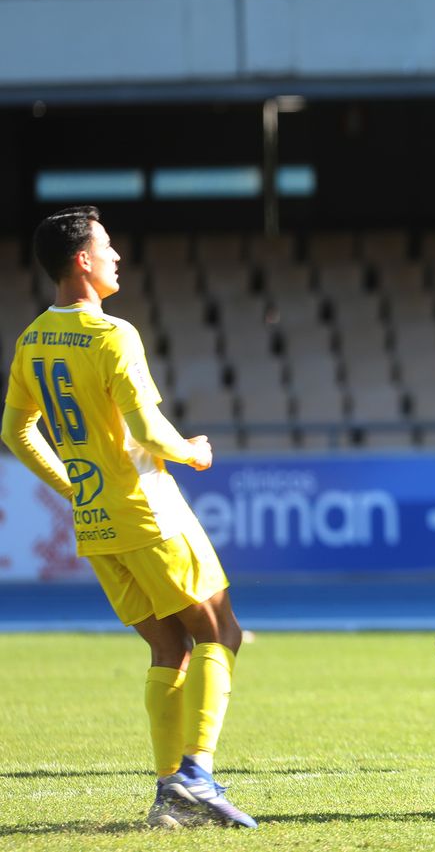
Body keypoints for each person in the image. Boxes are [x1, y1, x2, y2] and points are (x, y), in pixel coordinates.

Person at [1, 206, 256, 829]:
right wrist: (192, 452)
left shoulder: (32, 339)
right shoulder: (112, 334)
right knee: (221, 633)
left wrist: (72, 485)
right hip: (149, 511)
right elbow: (146, 429)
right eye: (108, 247)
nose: (118, 257)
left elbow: (14, 432)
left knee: (169, 648)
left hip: (95, 523)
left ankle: (171, 793)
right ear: (82, 260)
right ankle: (196, 772)